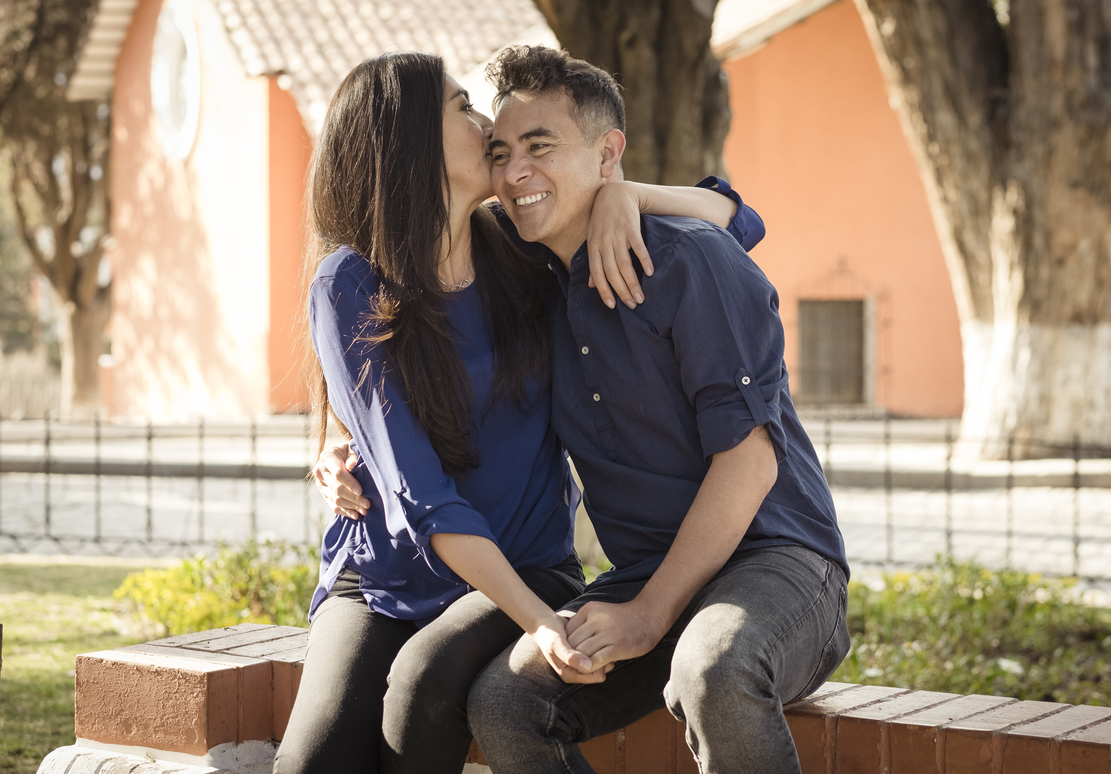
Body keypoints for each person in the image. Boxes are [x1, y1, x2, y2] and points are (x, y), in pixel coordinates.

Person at [281, 50, 758, 774]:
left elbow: (737, 220)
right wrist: (348, 440)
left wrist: (622, 194)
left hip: (525, 567)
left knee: (424, 685)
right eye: (462, 107)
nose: (483, 124)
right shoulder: (349, 281)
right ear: (407, 137)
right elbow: (422, 494)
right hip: (383, 575)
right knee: (312, 764)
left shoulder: (522, 251)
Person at [462, 46, 852, 774]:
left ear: (609, 152)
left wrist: (649, 615)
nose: (515, 173)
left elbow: (750, 461)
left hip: (779, 564)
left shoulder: (690, 260)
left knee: (714, 672)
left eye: (540, 147)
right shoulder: (530, 279)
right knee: (506, 700)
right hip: (650, 572)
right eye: (500, 152)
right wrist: (347, 439)